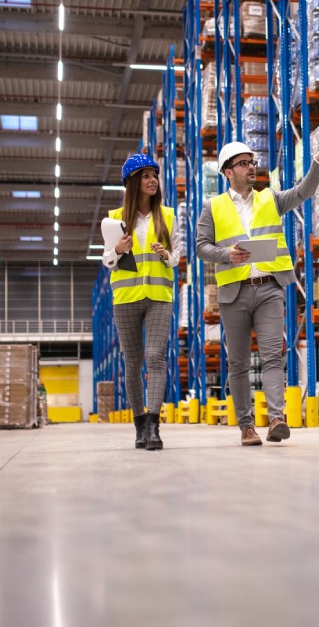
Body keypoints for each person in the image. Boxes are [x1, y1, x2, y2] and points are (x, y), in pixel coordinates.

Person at [196, 136, 319, 446]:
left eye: (252, 162)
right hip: (234, 293)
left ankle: (276, 418)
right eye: (243, 164)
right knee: (239, 363)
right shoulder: (213, 207)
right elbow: (200, 247)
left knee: (274, 355)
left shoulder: (269, 198)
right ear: (227, 172)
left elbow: (303, 192)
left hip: (269, 288)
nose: (251, 168)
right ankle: (246, 426)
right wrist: (226, 255)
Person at [101, 153, 182, 450]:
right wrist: (119, 249)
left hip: (160, 297)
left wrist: (165, 255)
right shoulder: (114, 219)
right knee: (132, 363)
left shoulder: (168, 216)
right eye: (146, 176)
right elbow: (107, 261)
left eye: (154, 175)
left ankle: (154, 426)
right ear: (133, 182)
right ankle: (138, 425)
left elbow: (175, 258)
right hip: (126, 298)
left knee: (155, 357)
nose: (152, 180)